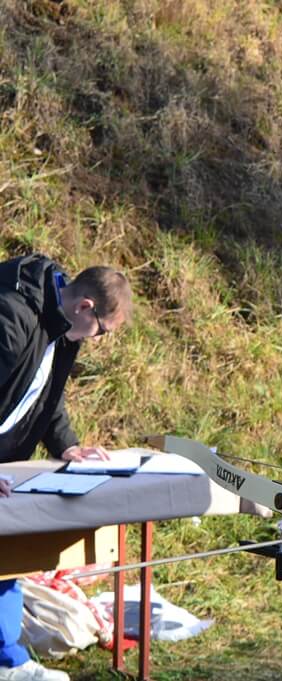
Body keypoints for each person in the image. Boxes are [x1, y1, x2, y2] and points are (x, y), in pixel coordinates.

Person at [0, 254, 132, 681]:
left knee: (9, 554)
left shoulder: (64, 328)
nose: (99, 340)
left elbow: (48, 392)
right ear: (86, 307)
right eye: (104, 332)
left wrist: (67, 446)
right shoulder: (13, 315)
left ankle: (8, 661)